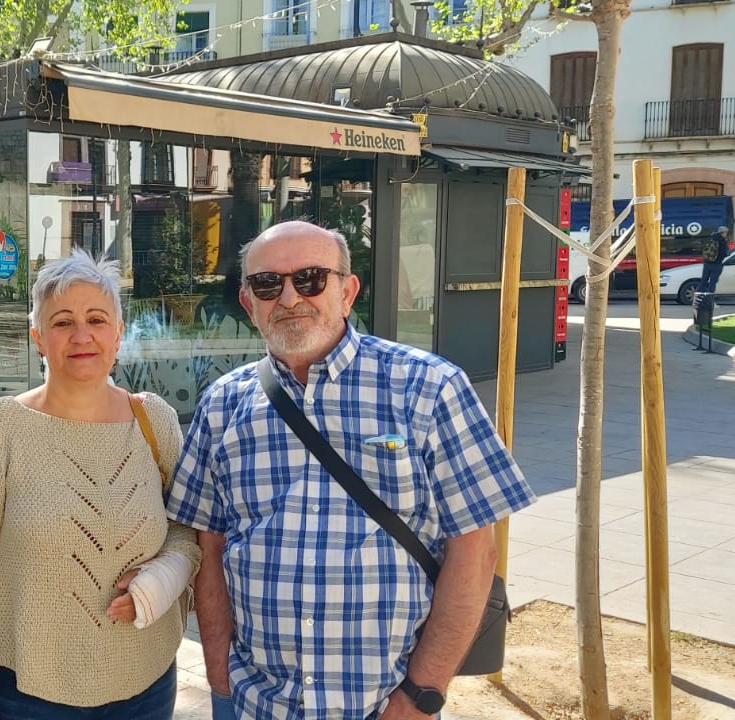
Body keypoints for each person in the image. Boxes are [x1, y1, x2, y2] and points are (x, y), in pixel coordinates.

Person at [168, 221, 535, 720]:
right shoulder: (221, 405)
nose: (290, 297)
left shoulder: (429, 388)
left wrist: (421, 697)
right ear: (249, 302)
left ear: (348, 291)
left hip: (386, 705)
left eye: (312, 278)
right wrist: (220, 679)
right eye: (268, 284)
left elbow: (474, 550)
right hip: (256, 703)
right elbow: (206, 548)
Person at [0, 250, 199, 720]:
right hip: (28, 691)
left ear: (118, 334)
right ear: (38, 337)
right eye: (62, 322)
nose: (82, 336)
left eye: (97, 319)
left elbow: (186, 530)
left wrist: (162, 577)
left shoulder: (153, 420)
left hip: (148, 682)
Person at [700, 226, 732, 293]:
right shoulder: (722, 241)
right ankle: (709, 300)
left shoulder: (710, 238)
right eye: (726, 233)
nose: (726, 234)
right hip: (717, 264)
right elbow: (724, 253)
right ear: (723, 233)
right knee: (712, 283)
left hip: (707, 263)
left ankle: (698, 297)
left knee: (703, 281)